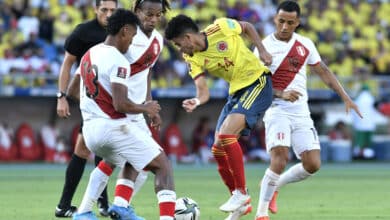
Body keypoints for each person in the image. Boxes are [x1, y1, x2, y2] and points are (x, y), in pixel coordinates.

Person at [252, 1, 362, 219]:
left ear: (298, 23)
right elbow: (254, 84)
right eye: (281, 21)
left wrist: (346, 97)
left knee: (312, 164)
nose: (284, 26)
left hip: (301, 112)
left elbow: (323, 71)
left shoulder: (305, 44)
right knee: (280, 158)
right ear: (275, 19)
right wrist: (280, 93)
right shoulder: (263, 47)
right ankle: (261, 214)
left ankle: (276, 186)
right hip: (277, 110)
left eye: (290, 22)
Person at [165, 14, 273, 220]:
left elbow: (248, 26)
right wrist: (196, 101)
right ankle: (240, 203)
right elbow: (202, 91)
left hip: (258, 82)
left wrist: (262, 49)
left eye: (179, 44)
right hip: (235, 93)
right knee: (217, 148)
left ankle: (241, 193)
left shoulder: (221, 27)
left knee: (225, 136)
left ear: (188, 38)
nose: (180, 50)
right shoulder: (191, 58)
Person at [72, 8, 176, 220]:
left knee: (119, 160)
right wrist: (146, 108)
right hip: (113, 127)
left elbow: (73, 91)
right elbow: (120, 104)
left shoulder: (89, 54)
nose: (131, 43)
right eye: (132, 37)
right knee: (162, 165)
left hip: (90, 132)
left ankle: (85, 212)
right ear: (125, 31)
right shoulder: (119, 61)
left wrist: (93, 103)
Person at [55, 0, 117, 217]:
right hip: (91, 101)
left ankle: (96, 203)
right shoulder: (83, 32)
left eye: (112, 10)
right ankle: (68, 205)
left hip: (112, 100)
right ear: (95, 9)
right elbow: (67, 64)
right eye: (104, 10)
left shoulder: (121, 31)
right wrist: (61, 97)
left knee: (102, 148)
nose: (108, 14)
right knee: (88, 148)